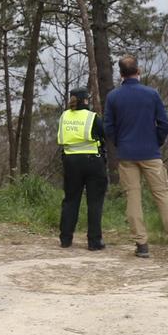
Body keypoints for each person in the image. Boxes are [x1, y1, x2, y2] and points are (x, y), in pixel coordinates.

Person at [102, 55, 168, 259]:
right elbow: (164, 124)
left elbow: (108, 127)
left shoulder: (113, 97)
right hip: (150, 152)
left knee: (133, 197)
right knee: (162, 195)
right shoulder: (151, 94)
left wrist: (120, 143)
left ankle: (141, 244)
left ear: (121, 74)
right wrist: (156, 141)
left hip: (126, 154)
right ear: (138, 71)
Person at [55, 87, 106, 251]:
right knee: (94, 202)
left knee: (70, 200)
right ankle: (94, 241)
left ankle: (65, 239)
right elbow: (104, 134)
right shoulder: (92, 117)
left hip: (70, 162)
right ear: (86, 100)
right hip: (93, 161)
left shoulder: (64, 116)